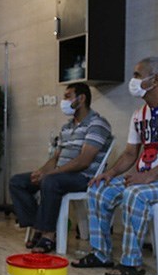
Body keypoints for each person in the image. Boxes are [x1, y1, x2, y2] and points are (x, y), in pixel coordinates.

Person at [71, 56, 158, 275]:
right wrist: (109, 174)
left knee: (135, 193)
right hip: (148, 179)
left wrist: (148, 177)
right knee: (98, 190)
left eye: (137, 75)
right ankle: (101, 254)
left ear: (155, 80)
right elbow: (131, 153)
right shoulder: (139, 115)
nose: (133, 81)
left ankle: (132, 263)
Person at [9, 82, 113, 253]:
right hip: (60, 175)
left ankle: (48, 236)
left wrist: (51, 174)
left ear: (81, 98)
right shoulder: (66, 128)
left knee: (50, 181)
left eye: (67, 96)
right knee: (17, 182)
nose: (63, 101)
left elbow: (84, 161)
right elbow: (55, 158)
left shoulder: (97, 124)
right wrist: (41, 172)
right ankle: (38, 226)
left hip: (84, 177)